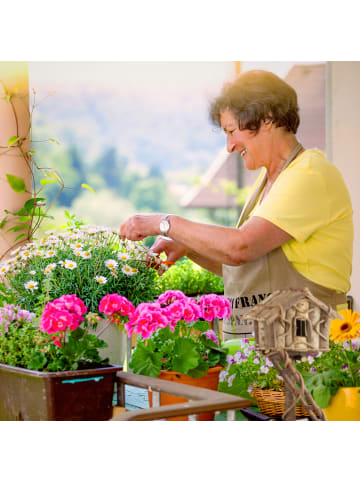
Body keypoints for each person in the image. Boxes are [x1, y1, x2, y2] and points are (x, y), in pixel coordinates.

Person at [119, 70, 353, 340]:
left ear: (266, 119)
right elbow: (247, 270)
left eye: (231, 131)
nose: (229, 146)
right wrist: (187, 246)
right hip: (262, 361)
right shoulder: (269, 182)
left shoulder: (310, 175)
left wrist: (165, 224)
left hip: (307, 357)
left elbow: (241, 247)